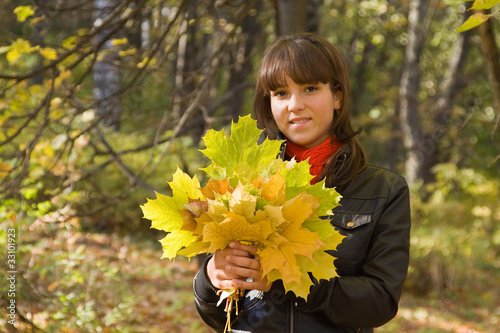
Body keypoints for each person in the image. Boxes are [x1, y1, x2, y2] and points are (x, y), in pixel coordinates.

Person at [193, 32, 411, 333]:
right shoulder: (241, 182)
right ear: (268, 102)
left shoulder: (382, 190)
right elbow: (218, 316)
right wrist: (210, 276)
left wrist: (286, 279)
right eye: (281, 93)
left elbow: (381, 301)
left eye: (309, 88)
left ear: (337, 97)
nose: (295, 105)